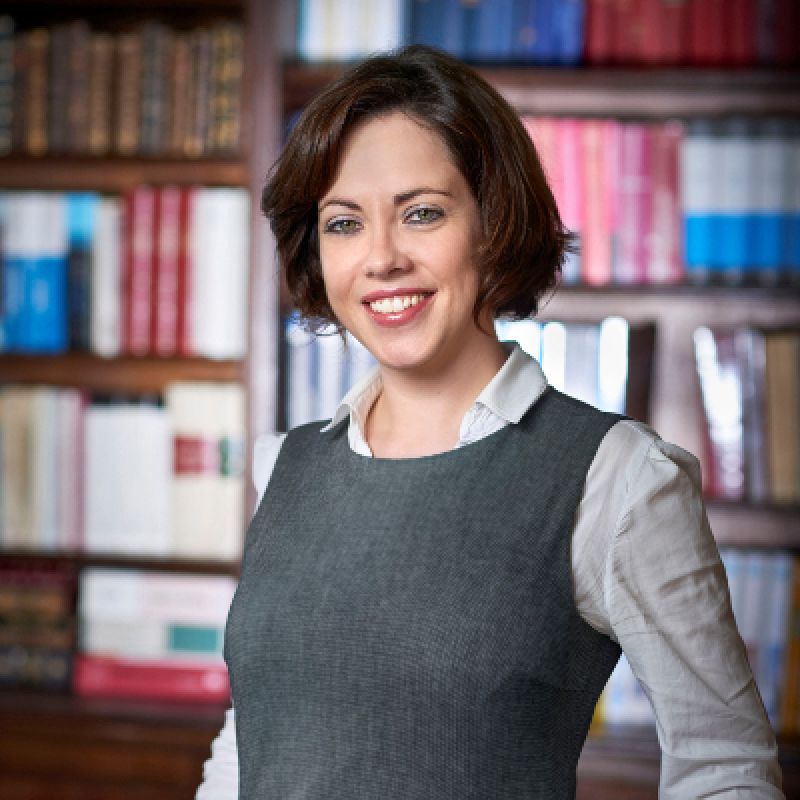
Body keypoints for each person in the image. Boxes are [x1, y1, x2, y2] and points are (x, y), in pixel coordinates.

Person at [196, 45, 783, 799]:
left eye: (422, 213)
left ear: (493, 223)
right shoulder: (283, 466)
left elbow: (726, 771)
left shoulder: (616, 476)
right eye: (344, 223)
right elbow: (250, 747)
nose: (381, 258)